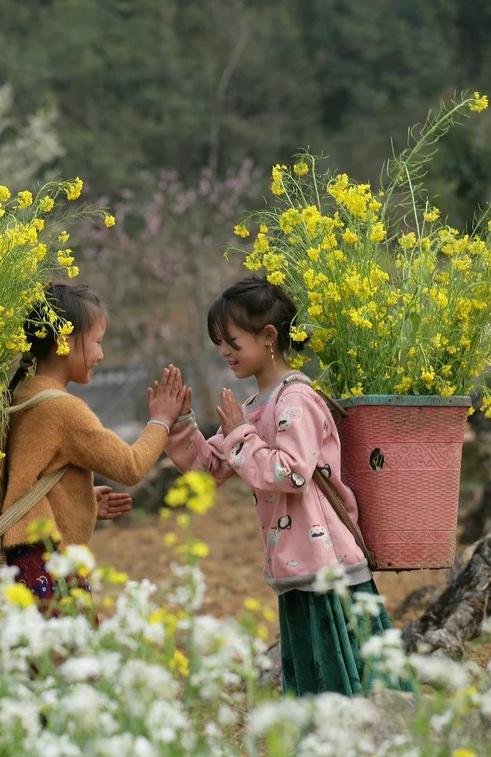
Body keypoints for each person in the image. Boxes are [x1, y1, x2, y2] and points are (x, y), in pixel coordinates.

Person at [164, 276, 406, 696]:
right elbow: (209, 470)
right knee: (319, 682)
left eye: (232, 341)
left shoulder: (295, 400)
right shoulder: (255, 408)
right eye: (219, 342)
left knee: (353, 684)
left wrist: (241, 435)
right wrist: (178, 423)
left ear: (269, 336)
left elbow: (292, 473)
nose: (224, 352)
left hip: (328, 566)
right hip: (295, 565)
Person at [1, 282, 187, 615]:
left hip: (23, 560)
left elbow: (30, 479)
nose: (101, 355)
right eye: (97, 342)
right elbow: (130, 467)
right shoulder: (63, 410)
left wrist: (80, 503)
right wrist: (161, 421)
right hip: (49, 562)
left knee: (40, 663)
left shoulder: (24, 395)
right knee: (69, 662)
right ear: (65, 342)